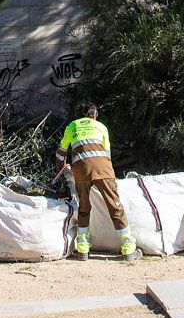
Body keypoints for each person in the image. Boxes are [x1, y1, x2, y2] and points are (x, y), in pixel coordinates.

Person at [56, 103, 135, 259]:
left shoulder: (72, 127)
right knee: (115, 206)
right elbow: (107, 152)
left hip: (81, 171)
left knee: (84, 208)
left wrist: (61, 167)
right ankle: (128, 247)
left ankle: (83, 248)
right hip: (103, 169)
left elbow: (61, 151)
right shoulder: (101, 126)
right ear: (94, 115)